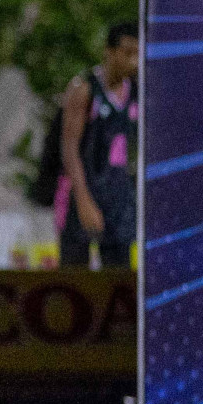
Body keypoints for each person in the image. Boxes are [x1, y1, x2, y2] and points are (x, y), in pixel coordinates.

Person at [58, 22, 139, 269]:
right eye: (127, 53)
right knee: (75, 274)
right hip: (85, 190)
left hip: (118, 195)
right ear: (109, 52)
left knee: (119, 273)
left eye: (137, 53)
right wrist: (82, 199)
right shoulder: (85, 89)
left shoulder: (137, 92)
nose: (133, 61)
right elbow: (69, 147)